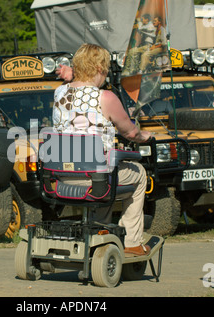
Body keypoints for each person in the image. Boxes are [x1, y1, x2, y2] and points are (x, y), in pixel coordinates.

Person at [53, 43, 153, 256]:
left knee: (106, 172)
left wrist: (73, 73)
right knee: (137, 173)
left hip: (63, 177)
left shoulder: (59, 93)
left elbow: (73, 85)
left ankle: (100, 232)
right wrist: (146, 136)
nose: (107, 74)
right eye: (106, 69)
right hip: (94, 178)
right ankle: (133, 242)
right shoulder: (104, 98)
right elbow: (131, 133)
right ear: (99, 68)